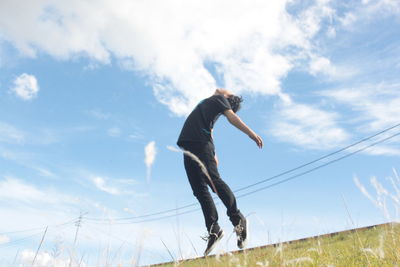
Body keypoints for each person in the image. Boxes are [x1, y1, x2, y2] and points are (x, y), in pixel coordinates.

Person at [177, 88, 263, 256]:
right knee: (199, 190)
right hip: (190, 147)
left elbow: (232, 117)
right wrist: (215, 153)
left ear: (227, 98)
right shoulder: (211, 105)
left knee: (214, 181)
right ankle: (214, 229)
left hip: (200, 144)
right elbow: (211, 130)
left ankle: (238, 219)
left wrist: (251, 134)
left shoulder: (220, 99)